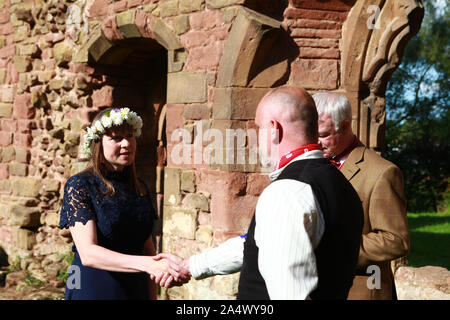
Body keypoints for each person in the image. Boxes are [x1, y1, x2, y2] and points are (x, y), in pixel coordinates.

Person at [158, 87, 364, 299]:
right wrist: (190, 266)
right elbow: (255, 242)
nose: (255, 138)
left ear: (274, 129)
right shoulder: (342, 185)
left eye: (258, 127)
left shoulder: (287, 192)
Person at [59, 107, 176, 300]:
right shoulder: (80, 185)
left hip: (136, 288)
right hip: (94, 287)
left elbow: (148, 250)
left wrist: (152, 296)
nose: (126, 143)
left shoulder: (140, 188)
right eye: (116, 138)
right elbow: (88, 253)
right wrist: (147, 264)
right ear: (98, 144)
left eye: (130, 136)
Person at [312, 91, 410, 300]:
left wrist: (334, 251)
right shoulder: (310, 165)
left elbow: (396, 240)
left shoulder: (382, 173)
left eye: (323, 134)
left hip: (361, 291)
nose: (316, 143)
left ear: (346, 126)